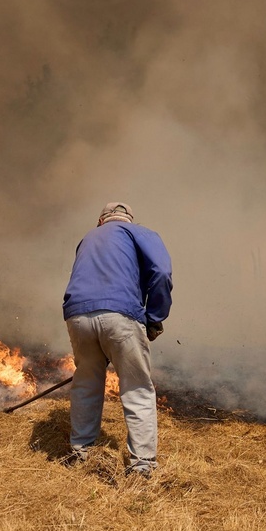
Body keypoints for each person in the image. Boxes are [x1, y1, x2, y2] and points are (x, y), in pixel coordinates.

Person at [62, 202, 172, 478]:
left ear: (101, 221)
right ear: (128, 219)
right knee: (137, 388)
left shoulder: (87, 238)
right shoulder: (139, 233)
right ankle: (142, 465)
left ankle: (80, 452)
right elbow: (161, 272)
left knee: (86, 383)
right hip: (120, 314)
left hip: (77, 315)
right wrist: (155, 317)